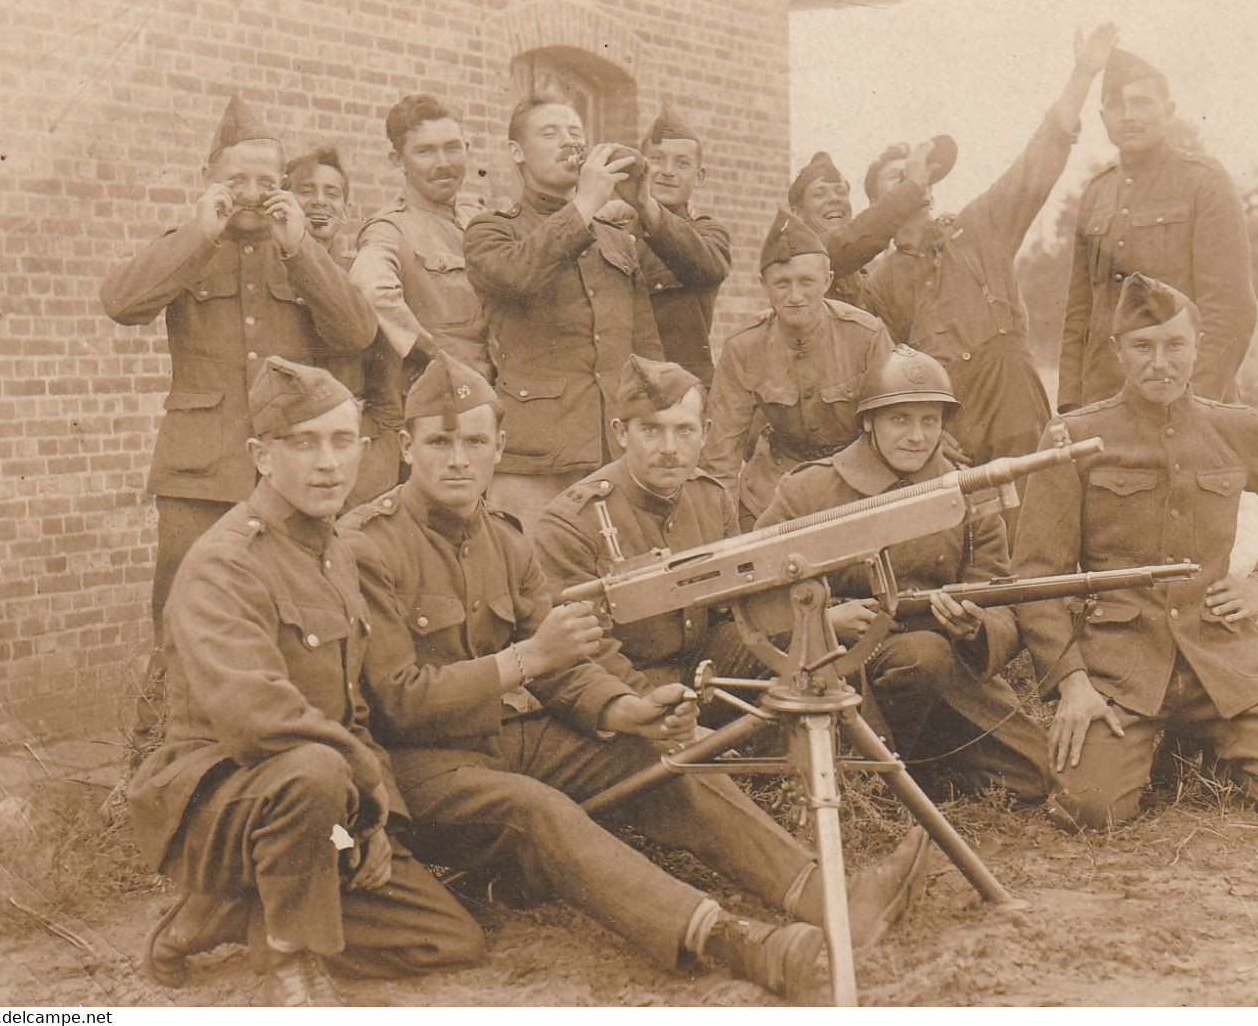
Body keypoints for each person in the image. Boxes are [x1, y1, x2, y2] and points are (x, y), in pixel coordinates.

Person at [339, 355, 931, 1002]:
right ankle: (730, 940)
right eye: (440, 442)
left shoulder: (504, 537)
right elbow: (396, 702)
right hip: (412, 771)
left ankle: (833, 901)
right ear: (405, 448)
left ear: (499, 448)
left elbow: (565, 663)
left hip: (496, 739)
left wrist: (624, 709)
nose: (458, 460)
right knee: (535, 809)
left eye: (474, 442)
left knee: (653, 754)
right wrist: (524, 661)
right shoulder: (368, 545)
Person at [128, 358, 483, 1006]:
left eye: (342, 441)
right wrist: (367, 791)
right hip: (217, 801)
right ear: (262, 456)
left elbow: (351, 708)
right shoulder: (224, 563)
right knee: (312, 769)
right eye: (304, 443)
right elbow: (257, 720)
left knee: (448, 938)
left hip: (319, 801)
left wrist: (381, 825)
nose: (328, 464)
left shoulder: (333, 550)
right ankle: (288, 957)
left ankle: (229, 913)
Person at [1014, 273, 1258, 831]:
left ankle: (1194, 738)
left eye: (1174, 345)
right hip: (1120, 665)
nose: (1159, 363)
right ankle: (1153, 743)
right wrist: (1072, 682)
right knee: (1091, 811)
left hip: (1223, 656)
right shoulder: (1075, 439)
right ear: (1118, 351)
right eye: (1142, 346)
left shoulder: (1237, 429)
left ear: (1197, 348)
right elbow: (1035, 576)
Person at [101, 94, 376, 741]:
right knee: (177, 614)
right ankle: (153, 764)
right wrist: (201, 232)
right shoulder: (189, 246)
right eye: (237, 180)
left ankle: (273, 743)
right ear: (210, 179)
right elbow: (122, 302)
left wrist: (303, 249)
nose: (251, 194)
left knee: (286, 612)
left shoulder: (301, 252)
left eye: (266, 182)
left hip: (283, 474)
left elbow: (357, 331)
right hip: (199, 472)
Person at [756, 346, 1051, 803]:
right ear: (868, 422)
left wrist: (974, 627)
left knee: (1031, 776)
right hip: (840, 666)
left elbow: (1001, 600)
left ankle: (918, 762)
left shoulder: (965, 491)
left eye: (929, 421)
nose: (917, 437)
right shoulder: (808, 490)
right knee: (920, 656)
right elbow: (752, 595)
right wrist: (823, 619)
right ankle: (880, 773)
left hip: (948, 668)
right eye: (900, 420)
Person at [860, 24, 1117, 493]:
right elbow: (883, 379)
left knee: (1042, 543)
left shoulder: (977, 230)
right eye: (897, 180)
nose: (916, 182)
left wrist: (1082, 75)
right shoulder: (879, 285)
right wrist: (932, 442)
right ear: (881, 207)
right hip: (952, 440)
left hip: (1021, 423)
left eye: (918, 175)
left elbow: (1037, 164)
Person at [463, 91, 664, 531]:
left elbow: (646, 349)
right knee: (541, 584)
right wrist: (586, 204)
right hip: (536, 458)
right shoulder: (491, 230)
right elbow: (518, 276)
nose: (568, 143)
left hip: (616, 452)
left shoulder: (617, 239)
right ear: (517, 151)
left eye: (575, 133)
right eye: (549, 133)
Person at [534, 356, 756, 693]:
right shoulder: (572, 521)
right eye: (651, 430)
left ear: (705, 434)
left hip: (703, 675)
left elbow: (735, 610)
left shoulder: (712, 499)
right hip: (624, 692)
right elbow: (585, 653)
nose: (669, 448)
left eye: (684, 430)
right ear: (621, 433)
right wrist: (655, 712)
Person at [1059, 48, 1258, 412]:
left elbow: (1230, 312)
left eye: (1141, 103)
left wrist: (1193, 407)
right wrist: (1072, 408)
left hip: (1185, 405)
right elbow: (1079, 315)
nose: (1129, 116)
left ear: (1169, 110)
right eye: (1116, 106)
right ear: (1103, 117)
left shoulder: (1203, 183)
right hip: (1104, 408)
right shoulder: (1096, 194)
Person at [701, 210, 894, 529]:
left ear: (828, 280)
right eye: (782, 284)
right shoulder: (743, 347)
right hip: (774, 490)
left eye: (806, 282)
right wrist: (723, 533)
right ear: (764, 285)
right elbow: (721, 454)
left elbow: (890, 428)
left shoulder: (866, 336)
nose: (794, 296)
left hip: (856, 485)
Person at [285, 145, 404, 507]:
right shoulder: (270, 274)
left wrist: (377, 463)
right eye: (306, 191)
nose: (319, 202)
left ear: (346, 211)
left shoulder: (362, 274)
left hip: (354, 452)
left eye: (332, 193)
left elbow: (387, 390)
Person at [350, 93, 489, 386]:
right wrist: (433, 354)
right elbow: (370, 290)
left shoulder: (479, 219)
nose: (443, 163)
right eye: (425, 151)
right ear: (397, 159)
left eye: (452, 148)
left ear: (467, 148)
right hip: (443, 400)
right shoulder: (391, 229)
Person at [626, 104, 731, 387]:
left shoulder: (709, 233)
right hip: (623, 387)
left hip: (684, 388)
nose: (667, 172)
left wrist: (647, 208)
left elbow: (706, 265)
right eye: (657, 159)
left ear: (699, 176)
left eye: (682, 163)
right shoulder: (615, 231)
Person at [786, 142, 945, 307]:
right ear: (797, 213)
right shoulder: (797, 252)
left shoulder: (868, 274)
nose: (834, 199)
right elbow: (847, 240)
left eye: (841, 192)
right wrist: (911, 187)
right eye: (819, 194)